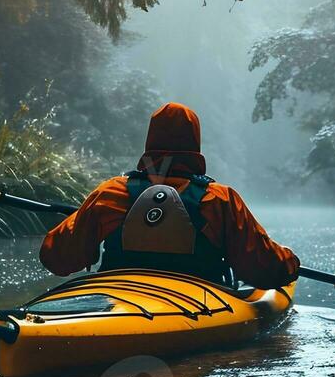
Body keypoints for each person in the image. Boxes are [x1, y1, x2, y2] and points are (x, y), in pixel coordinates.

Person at [40, 103, 299, 288]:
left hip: (117, 296)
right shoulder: (219, 200)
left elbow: (56, 258)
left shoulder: (111, 194)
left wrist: (84, 221)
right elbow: (264, 269)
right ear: (194, 144)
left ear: (150, 143)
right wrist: (289, 260)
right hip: (197, 303)